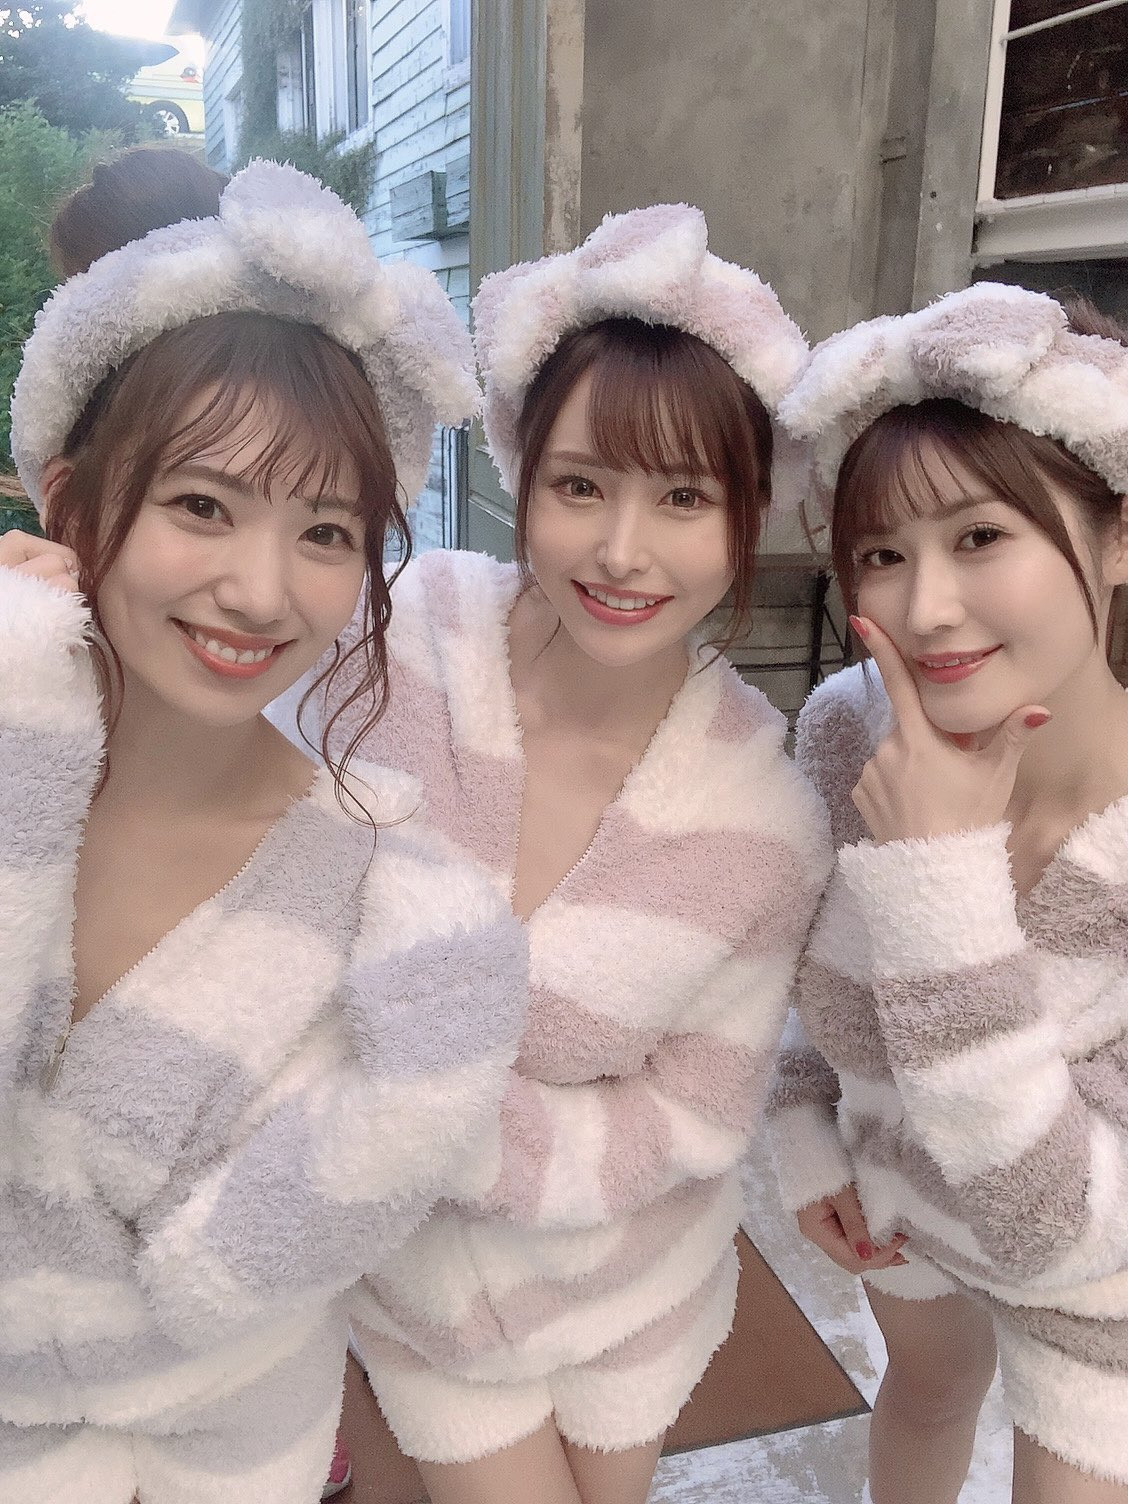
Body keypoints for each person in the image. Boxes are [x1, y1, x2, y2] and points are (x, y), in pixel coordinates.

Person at [0, 158, 526, 1504]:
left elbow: (301, 1220)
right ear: (69, 499)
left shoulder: (388, 894)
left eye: (327, 531)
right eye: (201, 505)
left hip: (243, 1445)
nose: (260, 589)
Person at [308, 203, 833, 1504]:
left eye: (684, 498)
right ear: (520, 476)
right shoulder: (395, 647)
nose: (621, 550)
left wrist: (447, 1128)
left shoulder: (764, 820)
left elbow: (696, 1111)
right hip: (416, 1284)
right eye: (580, 485)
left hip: (632, 1288)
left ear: (747, 515)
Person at [768, 283, 1128, 1502]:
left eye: (979, 537)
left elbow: (1054, 1224)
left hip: (1098, 1273)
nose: (922, 611)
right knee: (923, 1393)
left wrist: (941, 881)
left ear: (1118, 537)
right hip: (904, 1208)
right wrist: (807, 1131)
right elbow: (803, 979)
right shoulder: (848, 733)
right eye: (882, 554)